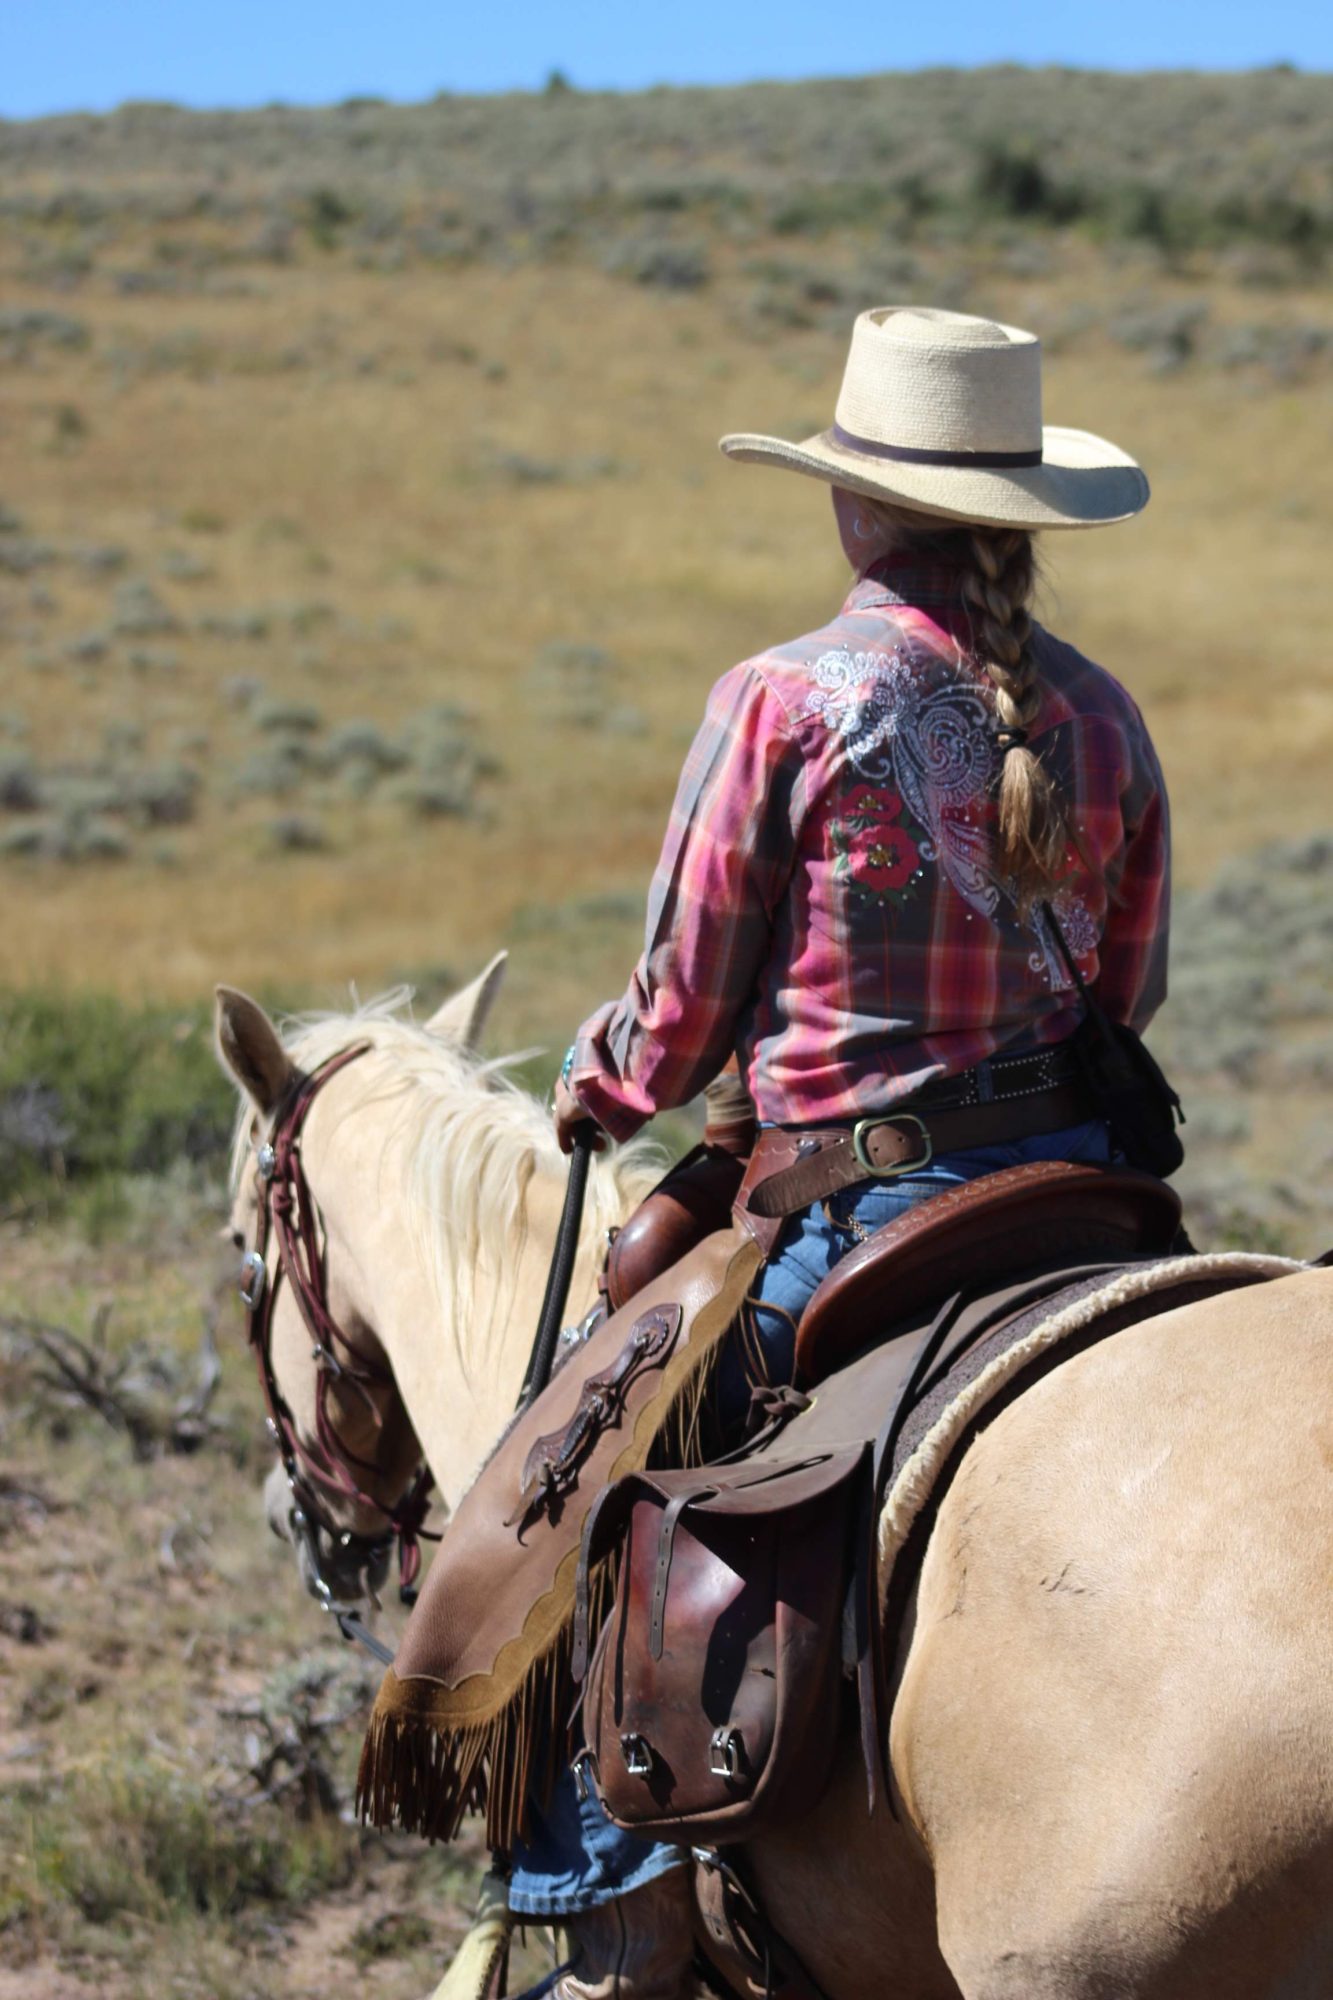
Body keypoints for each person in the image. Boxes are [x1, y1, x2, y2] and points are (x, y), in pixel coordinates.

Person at [525, 305, 1169, 1999]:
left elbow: (675, 1018)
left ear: (849, 500)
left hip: (863, 1215)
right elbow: (1134, 988)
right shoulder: (1100, 720)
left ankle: (620, 1912)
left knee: (585, 1487)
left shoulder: (785, 699)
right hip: (1088, 1195)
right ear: (1014, 511)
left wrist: (598, 1093)